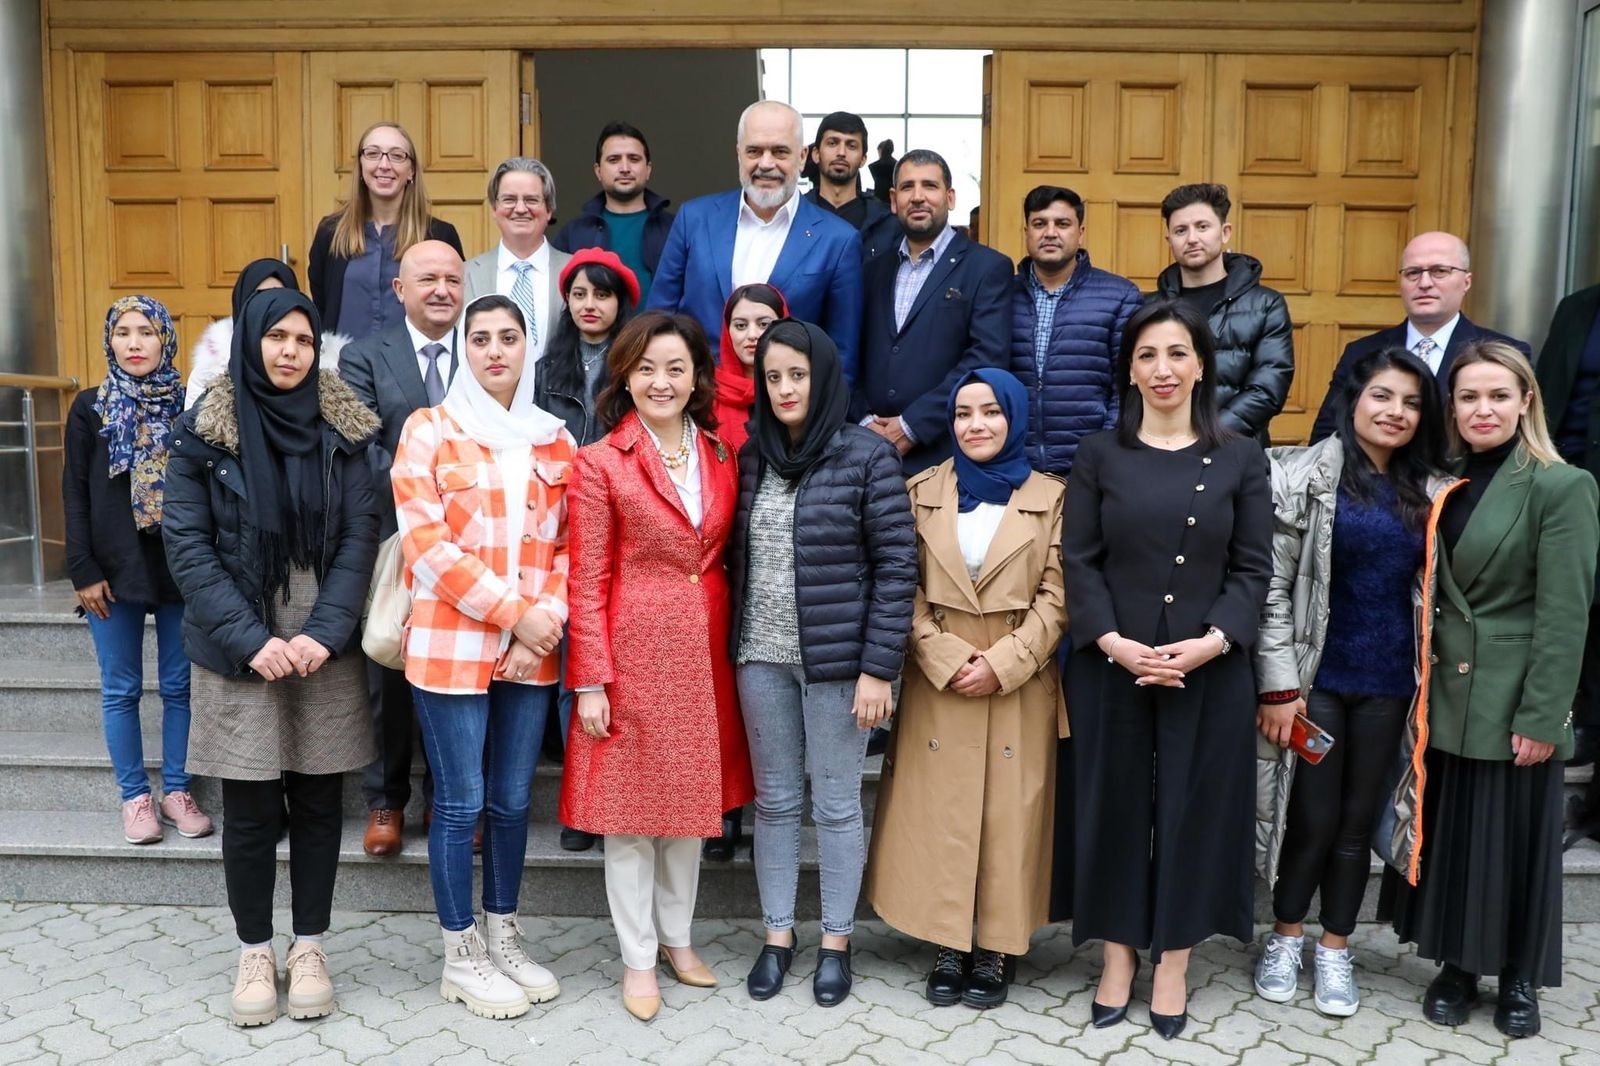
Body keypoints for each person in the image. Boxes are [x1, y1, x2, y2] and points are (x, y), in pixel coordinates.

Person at [162, 288, 380, 1028]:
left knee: (319, 802)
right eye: (277, 337)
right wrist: (253, 640)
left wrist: (323, 630)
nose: (291, 351)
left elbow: (360, 537)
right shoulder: (201, 436)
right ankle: (255, 949)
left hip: (323, 638)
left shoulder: (344, 431)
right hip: (239, 641)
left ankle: (310, 945)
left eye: (304, 339)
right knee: (252, 808)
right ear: (250, 340)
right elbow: (186, 549)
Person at [1062, 300, 1272, 1040]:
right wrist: (1114, 643)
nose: (1163, 369)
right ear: (1129, 366)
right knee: (1113, 806)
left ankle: (1175, 959)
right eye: (1148, 354)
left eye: (1178, 353)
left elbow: (1253, 569)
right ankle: (1118, 955)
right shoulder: (1098, 454)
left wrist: (1214, 642)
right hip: (1111, 662)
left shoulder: (1242, 455)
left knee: (1194, 812)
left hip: (1207, 666)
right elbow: (1078, 563)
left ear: (1202, 365)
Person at [1380, 342, 1599, 1039]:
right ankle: (1456, 966)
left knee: (1512, 843)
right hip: (1443, 693)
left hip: (1512, 699)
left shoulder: (1561, 486)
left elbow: (1566, 615)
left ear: (1526, 401)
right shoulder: (1441, 481)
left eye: (1498, 396)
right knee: (1452, 838)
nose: (1483, 409)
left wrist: (1543, 714)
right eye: (1469, 397)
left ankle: (1518, 979)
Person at [559, 311, 754, 1023]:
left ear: (699, 375)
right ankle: (638, 957)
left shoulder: (723, 454)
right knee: (631, 820)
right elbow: (585, 578)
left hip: (705, 653)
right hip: (632, 653)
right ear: (625, 377)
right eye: (646, 368)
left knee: (689, 811)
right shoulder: (600, 462)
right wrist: (589, 679)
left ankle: (678, 938)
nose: (661, 381)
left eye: (675, 367)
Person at [1251, 348, 1451, 1018]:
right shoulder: (1299, 475)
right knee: (1309, 820)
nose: (1395, 412)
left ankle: (1336, 949)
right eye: (1382, 397)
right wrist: (1279, 685)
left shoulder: (1435, 489)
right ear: (1354, 401)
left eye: (1410, 402)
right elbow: (1272, 591)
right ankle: (1285, 938)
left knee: (1356, 824)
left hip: (1391, 684)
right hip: (1318, 683)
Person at [391, 294, 575, 1020]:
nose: (495, 350)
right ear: (462, 349)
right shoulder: (429, 430)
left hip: (533, 649)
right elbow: (427, 548)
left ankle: (503, 934)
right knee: (461, 801)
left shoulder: (555, 439)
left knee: (511, 802)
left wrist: (547, 620)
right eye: (480, 338)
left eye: (509, 337)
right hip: (451, 645)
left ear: (529, 346)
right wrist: (519, 615)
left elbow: (569, 547)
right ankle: (460, 954)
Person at [866, 367, 1068, 1010]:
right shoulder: (920, 489)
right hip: (941, 680)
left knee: (1010, 816)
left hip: (1019, 681)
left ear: (1014, 418)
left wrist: (1006, 662)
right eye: (962, 414)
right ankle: (950, 941)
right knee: (944, 812)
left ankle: (999, 946)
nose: (975, 425)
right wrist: (946, 657)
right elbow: (903, 584)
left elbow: (1060, 594)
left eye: (990, 412)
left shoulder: (1053, 496)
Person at [727, 318, 916, 1006]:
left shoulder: (867, 456)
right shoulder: (751, 456)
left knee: (836, 805)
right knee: (776, 804)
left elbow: (898, 566)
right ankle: (779, 936)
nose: (783, 388)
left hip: (840, 667)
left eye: (797, 374)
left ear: (824, 376)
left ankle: (836, 942)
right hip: (760, 657)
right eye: (772, 376)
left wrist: (878, 668)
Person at [64, 295, 212, 845]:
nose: (134, 343)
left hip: (179, 564)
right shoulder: (90, 407)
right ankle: (135, 798)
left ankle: (177, 791)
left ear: (165, 340)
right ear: (110, 340)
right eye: (123, 332)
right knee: (121, 689)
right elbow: (75, 492)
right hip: (110, 568)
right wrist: (81, 568)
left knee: (179, 685)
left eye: (146, 333)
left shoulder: (190, 404)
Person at [338, 238, 466, 857]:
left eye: (452, 279)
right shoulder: (364, 357)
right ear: (399, 290)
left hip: (472, 543)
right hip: (394, 539)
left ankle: (448, 798)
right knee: (388, 669)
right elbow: (359, 442)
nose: (441, 289)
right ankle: (385, 800)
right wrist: (436, 485)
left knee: (461, 672)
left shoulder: (484, 351)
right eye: (428, 279)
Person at [534, 247, 640, 853]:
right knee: (574, 675)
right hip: (563, 531)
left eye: (601, 294)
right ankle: (581, 803)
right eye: (579, 294)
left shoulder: (636, 367)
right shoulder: (546, 372)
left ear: (621, 302)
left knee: (617, 672)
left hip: (628, 533)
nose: (590, 305)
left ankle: (616, 793)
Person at [647, 101, 863, 382]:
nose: (766, 163)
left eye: (780, 151)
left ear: (802, 157)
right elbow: (657, 320)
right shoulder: (694, 218)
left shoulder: (839, 240)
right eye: (754, 151)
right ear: (739, 154)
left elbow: (842, 354)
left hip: (786, 412)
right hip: (697, 402)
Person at [852, 149, 1013, 475]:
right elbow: (849, 353)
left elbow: (985, 358)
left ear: (950, 197)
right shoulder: (872, 271)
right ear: (894, 200)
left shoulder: (987, 268)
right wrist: (865, 421)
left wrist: (912, 425)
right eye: (908, 187)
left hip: (944, 457)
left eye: (930, 186)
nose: (918, 197)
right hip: (869, 455)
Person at [1310, 232, 1531, 442]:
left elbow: (1523, 437)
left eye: (1440, 271)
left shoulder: (1506, 352)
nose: (1424, 283)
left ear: (1466, 281)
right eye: (1413, 273)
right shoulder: (1361, 352)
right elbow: (1328, 434)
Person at [1008, 185, 1143, 477]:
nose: (1050, 232)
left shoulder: (1119, 296)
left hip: (1093, 466)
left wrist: (1106, 451)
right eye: (1039, 223)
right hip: (1015, 466)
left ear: (1080, 233)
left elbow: (1129, 387)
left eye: (1062, 223)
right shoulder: (1001, 295)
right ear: (1026, 232)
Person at [1150, 183, 1294, 444]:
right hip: (1160, 450)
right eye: (1181, 230)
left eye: (1202, 227)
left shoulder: (1265, 304)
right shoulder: (1149, 308)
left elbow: (1268, 388)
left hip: (1235, 451)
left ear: (1225, 232)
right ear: (1169, 240)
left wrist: (1205, 437)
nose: (1192, 238)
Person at [1536, 283, 1600, 820]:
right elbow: (1551, 390)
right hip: (1568, 476)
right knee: (1569, 598)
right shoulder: (1579, 307)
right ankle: (1580, 719)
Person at [308, 122, 463, 341]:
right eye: (372, 154)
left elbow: (451, 305)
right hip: (344, 368)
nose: (384, 164)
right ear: (360, 166)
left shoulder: (439, 235)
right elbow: (322, 305)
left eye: (397, 155)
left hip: (415, 368)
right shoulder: (331, 233)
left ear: (411, 171)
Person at [188, 259, 352, 410]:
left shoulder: (326, 372)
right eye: (259, 296)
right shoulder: (210, 369)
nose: (269, 304)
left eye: (279, 295)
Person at [551, 122, 676, 305]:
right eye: (614, 159)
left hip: (657, 333)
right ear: (598, 171)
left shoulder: (676, 229)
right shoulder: (573, 233)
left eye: (634, 159)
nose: (625, 168)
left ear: (648, 169)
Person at [465, 158, 573, 364]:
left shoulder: (576, 271)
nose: (521, 208)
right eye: (509, 200)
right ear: (494, 209)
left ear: (549, 209)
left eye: (531, 200)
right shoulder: (466, 274)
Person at [803, 111, 898, 260]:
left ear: (863, 159)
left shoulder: (887, 223)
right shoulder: (795, 215)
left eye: (851, 146)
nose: (841, 152)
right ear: (816, 154)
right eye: (832, 143)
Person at [712, 283, 789, 456]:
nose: (752, 334)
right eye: (741, 326)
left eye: (763, 324)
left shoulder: (802, 387)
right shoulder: (706, 391)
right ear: (727, 330)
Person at [867, 139, 896, 204]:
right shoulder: (897, 165)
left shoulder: (874, 166)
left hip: (879, 199)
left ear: (880, 150)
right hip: (893, 199)